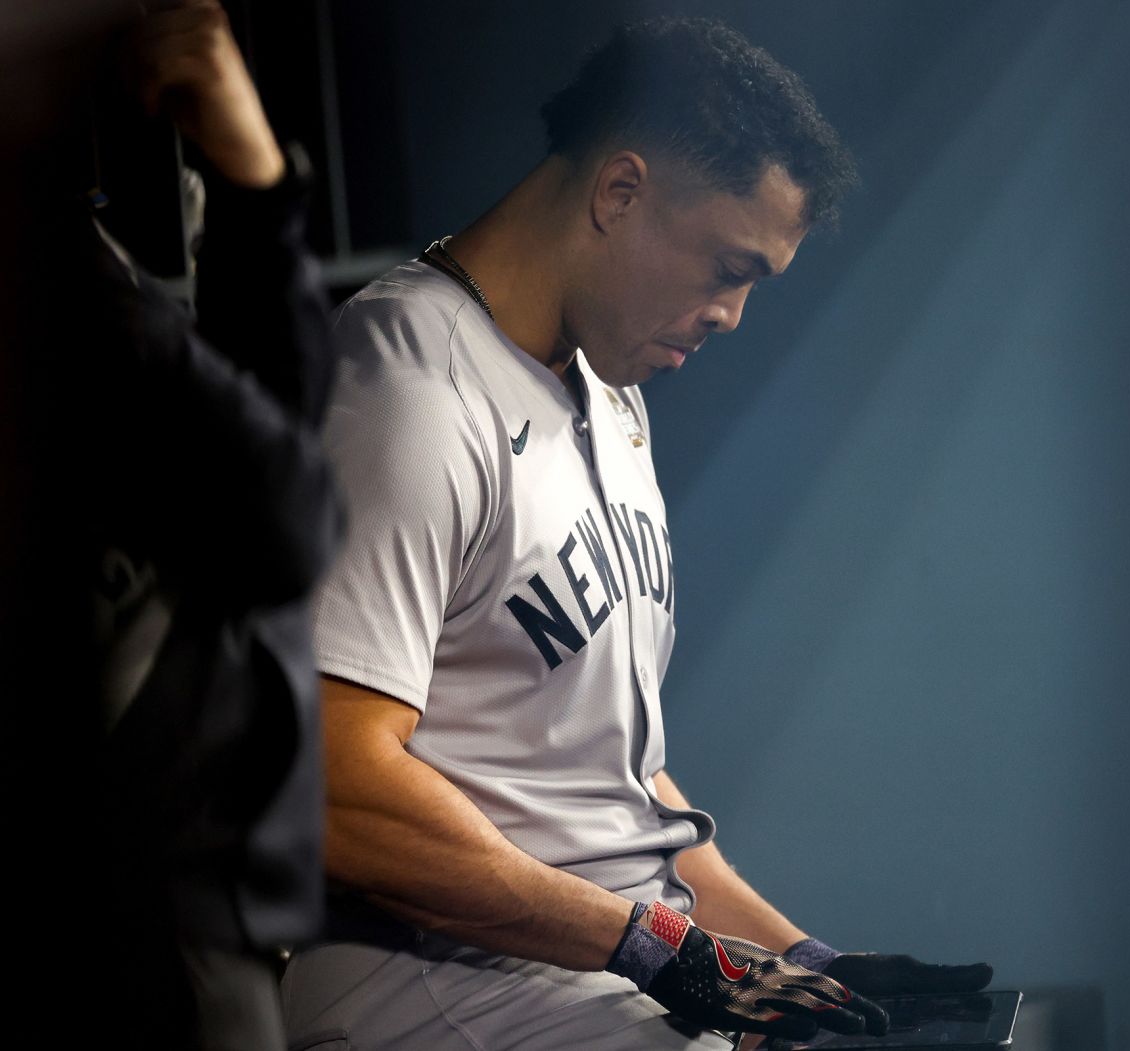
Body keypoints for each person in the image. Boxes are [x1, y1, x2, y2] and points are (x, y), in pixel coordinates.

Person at [282, 18, 989, 1050]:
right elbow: (333, 783)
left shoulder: (610, 395)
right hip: (442, 1003)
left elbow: (614, 792)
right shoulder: (405, 388)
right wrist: (654, 947)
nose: (731, 315)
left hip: (592, 986)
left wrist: (801, 961)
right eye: (725, 266)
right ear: (619, 192)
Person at [7, 1, 338, 1047]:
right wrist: (257, 194)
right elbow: (289, 513)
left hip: (170, 920)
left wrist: (254, 189)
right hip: (139, 930)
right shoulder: (55, 283)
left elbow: (275, 425)